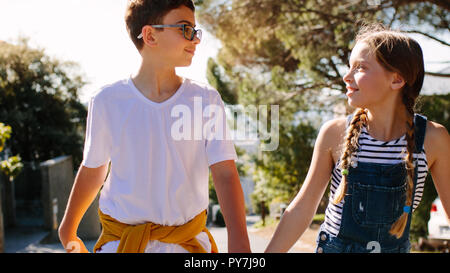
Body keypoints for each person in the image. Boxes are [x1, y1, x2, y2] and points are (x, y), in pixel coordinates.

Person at [58, 0, 250, 253]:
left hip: (188, 246)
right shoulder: (106, 101)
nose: (196, 39)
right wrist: (67, 229)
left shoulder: (205, 99)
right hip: (121, 245)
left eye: (195, 30)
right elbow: (93, 170)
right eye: (185, 29)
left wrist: (240, 242)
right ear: (150, 35)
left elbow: (225, 174)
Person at [265, 23, 450, 253]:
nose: (346, 76)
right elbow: (303, 207)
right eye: (349, 67)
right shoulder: (334, 133)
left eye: (360, 68)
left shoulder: (433, 138)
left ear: (397, 80)